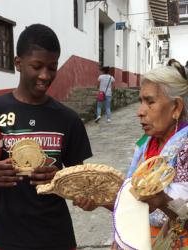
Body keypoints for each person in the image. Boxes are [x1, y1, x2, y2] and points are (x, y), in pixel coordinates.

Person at [0, 24, 92, 250]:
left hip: (56, 238)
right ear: (18, 63)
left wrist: (60, 178)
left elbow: (80, 184)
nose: (45, 76)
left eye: (52, 67)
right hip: (6, 239)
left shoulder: (68, 119)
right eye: (37, 66)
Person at [75, 59, 188, 249]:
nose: (139, 111)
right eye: (141, 101)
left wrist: (162, 201)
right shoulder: (146, 147)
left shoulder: (185, 148)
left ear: (176, 107)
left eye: (150, 102)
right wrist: (100, 200)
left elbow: (179, 213)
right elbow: (135, 203)